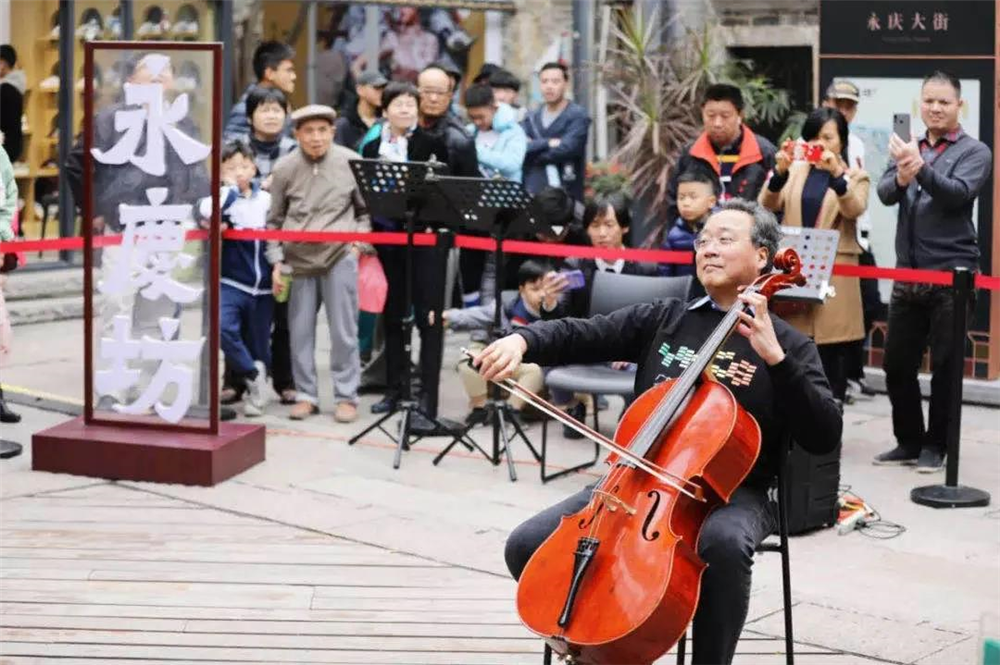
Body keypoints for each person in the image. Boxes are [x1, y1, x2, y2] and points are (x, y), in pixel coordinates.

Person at [475, 199, 842, 665]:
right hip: (635, 480)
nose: (708, 249)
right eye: (703, 240)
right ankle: (595, 644)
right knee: (526, 545)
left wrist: (778, 361)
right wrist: (523, 339)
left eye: (725, 240)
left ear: (763, 257)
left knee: (723, 545)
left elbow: (823, 433)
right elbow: (583, 333)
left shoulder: (789, 344)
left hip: (736, 492)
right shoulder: (668, 319)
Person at [874, 70, 993, 472]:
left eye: (944, 101)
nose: (935, 108)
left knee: (945, 368)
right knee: (896, 365)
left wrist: (918, 167)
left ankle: (937, 446)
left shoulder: (975, 151)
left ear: (960, 105)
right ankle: (908, 441)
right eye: (929, 100)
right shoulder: (909, 144)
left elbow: (957, 194)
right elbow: (885, 193)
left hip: (952, 276)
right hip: (908, 274)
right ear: (919, 104)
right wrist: (903, 173)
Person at [266, 105, 372, 423]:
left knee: (344, 332)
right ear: (296, 134)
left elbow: (365, 212)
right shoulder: (284, 168)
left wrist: (357, 246)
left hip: (340, 255)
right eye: (308, 131)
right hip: (297, 261)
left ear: (332, 132)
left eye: (322, 130)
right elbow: (274, 220)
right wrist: (276, 259)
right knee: (300, 333)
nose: (316, 138)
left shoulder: (350, 161)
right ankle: (306, 395)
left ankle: (346, 396)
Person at [760, 107, 869, 405]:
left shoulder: (856, 176)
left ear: (842, 141)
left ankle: (832, 424)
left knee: (831, 361)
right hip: (795, 270)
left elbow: (854, 209)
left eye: (828, 137)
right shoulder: (794, 171)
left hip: (835, 274)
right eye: (813, 137)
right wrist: (779, 173)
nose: (820, 144)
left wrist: (837, 175)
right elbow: (766, 205)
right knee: (793, 358)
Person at [358, 82, 450, 431]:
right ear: (385, 111)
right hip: (389, 240)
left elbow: (444, 192)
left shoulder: (432, 143)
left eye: (411, 103)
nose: (406, 109)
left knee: (428, 318)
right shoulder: (372, 146)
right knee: (394, 316)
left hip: (425, 240)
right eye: (398, 103)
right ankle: (395, 389)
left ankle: (427, 396)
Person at [199, 142, 273, 417]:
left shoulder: (266, 199)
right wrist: (229, 190)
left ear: (254, 168)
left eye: (244, 166)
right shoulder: (219, 199)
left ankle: (258, 391)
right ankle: (251, 374)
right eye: (230, 168)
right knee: (223, 327)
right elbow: (206, 213)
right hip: (232, 282)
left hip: (265, 286)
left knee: (260, 343)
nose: (239, 172)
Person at [445, 260, 560, 424]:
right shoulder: (507, 305)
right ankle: (480, 408)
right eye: (535, 289)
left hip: (531, 366)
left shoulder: (558, 308)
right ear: (522, 289)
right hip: (502, 358)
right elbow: (477, 315)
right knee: (468, 361)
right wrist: (448, 316)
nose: (542, 294)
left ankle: (511, 410)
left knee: (535, 371)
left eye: (546, 289)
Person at [823, 79, 878, 399]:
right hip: (823, 240)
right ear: (826, 103)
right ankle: (838, 380)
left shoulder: (855, 143)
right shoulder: (808, 145)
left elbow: (859, 197)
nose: (843, 110)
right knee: (827, 315)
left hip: (856, 237)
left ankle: (853, 372)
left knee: (867, 304)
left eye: (849, 106)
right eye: (838, 104)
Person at [666, 83, 776, 223]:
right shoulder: (690, 155)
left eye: (725, 116)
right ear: (702, 113)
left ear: (740, 115)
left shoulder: (764, 153)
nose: (717, 123)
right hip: (698, 235)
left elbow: (777, 204)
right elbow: (673, 202)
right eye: (711, 115)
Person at [521, 62, 591, 202]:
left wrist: (533, 153)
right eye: (544, 81)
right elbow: (520, 146)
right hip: (533, 191)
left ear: (566, 84)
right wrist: (548, 143)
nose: (549, 86)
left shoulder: (578, 116)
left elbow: (568, 148)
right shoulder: (531, 117)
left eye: (555, 81)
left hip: (567, 192)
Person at [224, 41, 296, 140]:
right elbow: (232, 144)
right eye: (289, 70)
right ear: (269, 73)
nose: (294, 77)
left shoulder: (282, 102)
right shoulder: (245, 107)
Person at [463, 83, 527, 183]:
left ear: (494, 108)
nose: (477, 122)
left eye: (481, 117)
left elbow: (512, 164)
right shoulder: (468, 131)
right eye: (472, 117)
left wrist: (474, 150)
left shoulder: (514, 132)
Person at [660, 170, 719, 277]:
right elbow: (664, 272)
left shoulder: (721, 230)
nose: (686, 203)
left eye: (693, 197)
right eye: (681, 197)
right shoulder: (673, 236)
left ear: (711, 202)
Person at [380, 7, 439, 83]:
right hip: (396, 85)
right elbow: (375, 59)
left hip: (419, 85)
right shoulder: (392, 37)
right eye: (399, 6)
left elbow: (427, 69)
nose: (401, 10)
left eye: (406, 6)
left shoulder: (429, 39)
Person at [334, 70, 387, 152]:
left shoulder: (387, 120)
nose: (382, 92)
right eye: (376, 88)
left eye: (383, 88)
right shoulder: (344, 124)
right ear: (359, 90)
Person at [0, 45, 25, 162]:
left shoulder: (6, 89)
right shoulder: (15, 86)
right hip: (13, 143)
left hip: (5, 144)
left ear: (3, 64)